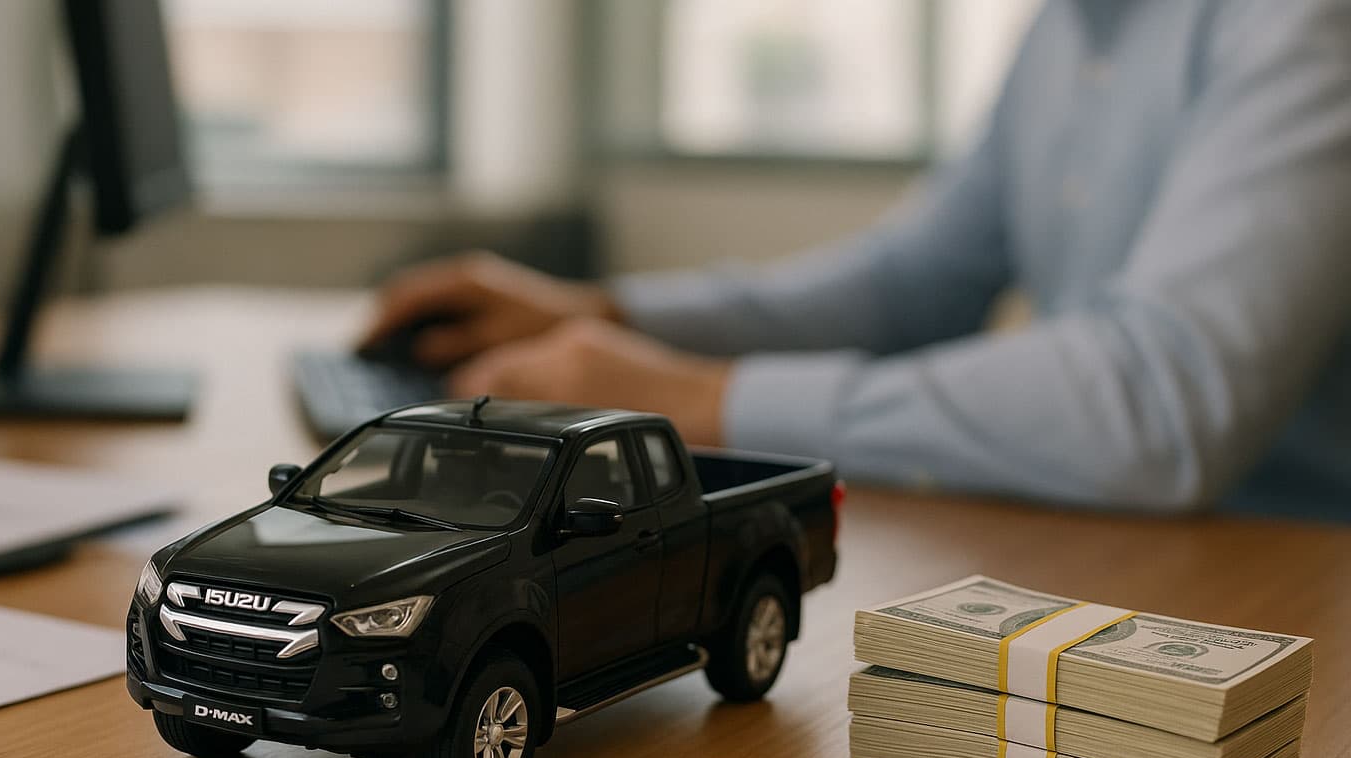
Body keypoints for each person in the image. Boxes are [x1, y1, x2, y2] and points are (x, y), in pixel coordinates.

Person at [362, 0, 1351, 520]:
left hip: (1293, 587)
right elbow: (911, 282)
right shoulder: (1066, 27)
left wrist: (708, 399)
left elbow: (1163, 402)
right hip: (1122, 552)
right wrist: (606, 315)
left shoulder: (1303, 24)